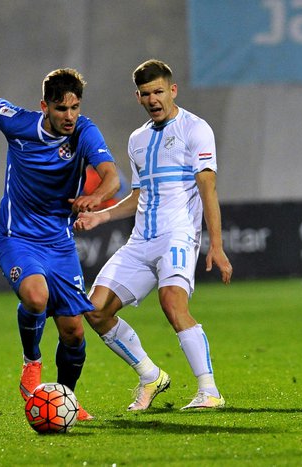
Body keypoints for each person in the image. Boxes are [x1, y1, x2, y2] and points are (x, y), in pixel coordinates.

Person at [0, 69, 120, 420]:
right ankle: (32, 361)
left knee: (74, 332)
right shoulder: (20, 124)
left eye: (75, 107)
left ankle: (64, 401)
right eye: (61, 108)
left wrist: (95, 197)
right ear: (45, 106)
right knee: (36, 295)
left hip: (59, 243)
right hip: (16, 236)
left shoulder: (84, 131)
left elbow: (112, 177)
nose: (69, 116)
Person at [75, 59, 233, 410]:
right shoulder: (138, 139)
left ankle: (209, 391)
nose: (153, 99)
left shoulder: (196, 129)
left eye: (159, 91)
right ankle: (150, 375)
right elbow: (138, 196)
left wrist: (216, 245)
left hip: (177, 236)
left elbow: (208, 189)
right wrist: (101, 217)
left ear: (172, 90)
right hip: (140, 242)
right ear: (138, 97)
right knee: (94, 310)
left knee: (172, 302)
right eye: (146, 94)